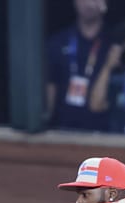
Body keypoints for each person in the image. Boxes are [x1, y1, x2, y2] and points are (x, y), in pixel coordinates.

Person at [46, 0, 111, 131]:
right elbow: (50, 88)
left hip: (104, 135)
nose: (89, 3)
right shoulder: (57, 42)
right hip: (62, 132)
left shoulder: (114, 44)